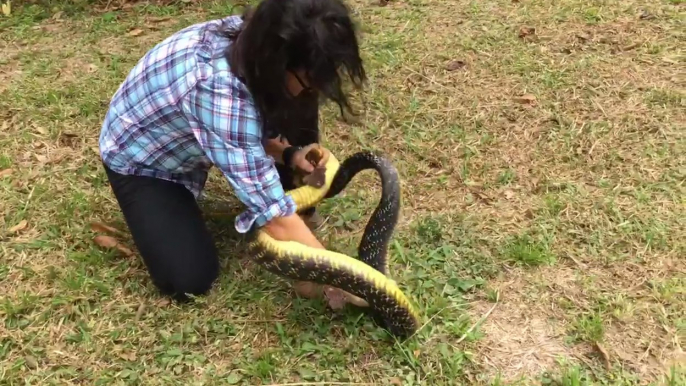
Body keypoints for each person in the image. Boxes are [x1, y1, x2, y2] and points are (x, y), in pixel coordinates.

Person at [98, 0, 366, 301]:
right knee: (188, 278)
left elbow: (244, 125)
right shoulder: (217, 90)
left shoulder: (260, 40)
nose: (319, 87)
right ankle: (299, 247)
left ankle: (298, 220)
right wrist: (342, 278)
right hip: (146, 163)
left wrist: (288, 153)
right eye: (311, 78)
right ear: (276, 60)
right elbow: (272, 212)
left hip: (206, 128)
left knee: (299, 97)